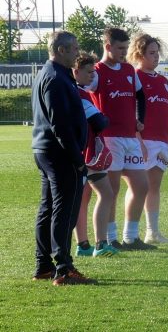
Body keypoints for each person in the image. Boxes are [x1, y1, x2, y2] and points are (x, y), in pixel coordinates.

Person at [31, 31, 96, 285]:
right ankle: (63, 268)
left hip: (46, 150)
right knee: (64, 209)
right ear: (61, 50)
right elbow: (60, 124)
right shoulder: (56, 78)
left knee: (48, 208)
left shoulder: (50, 74)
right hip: (59, 153)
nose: (77, 52)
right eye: (74, 48)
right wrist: (77, 157)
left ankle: (44, 265)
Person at [86, 28, 155, 250]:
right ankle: (110, 237)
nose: (124, 52)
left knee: (142, 185)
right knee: (111, 190)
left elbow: (140, 95)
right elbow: (83, 94)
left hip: (129, 137)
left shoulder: (128, 69)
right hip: (109, 138)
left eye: (126, 48)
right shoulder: (96, 72)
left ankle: (131, 237)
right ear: (108, 47)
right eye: (120, 48)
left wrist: (139, 119)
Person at [128, 33, 168, 243]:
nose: (156, 57)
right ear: (139, 54)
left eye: (157, 53)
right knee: (138, 187)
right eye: (151, 53)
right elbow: (129, 111)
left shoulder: (162, 80)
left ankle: (152, 232)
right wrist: (138, 140)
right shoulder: (134, 78)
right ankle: (130, 233)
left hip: (161, 141)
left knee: (154, 187)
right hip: (143, 141)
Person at [71, 51, 119, 257]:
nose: (93, 75)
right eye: (89, 72)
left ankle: (82, 246)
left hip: (79, 152)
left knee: (82, 200)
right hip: (88, 154)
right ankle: (100, 244)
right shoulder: (80, 94)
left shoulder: (75, 91)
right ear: (75, 71)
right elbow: (99, 121)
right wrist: (104, 117)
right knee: (106, 193)